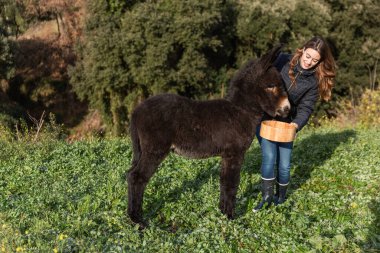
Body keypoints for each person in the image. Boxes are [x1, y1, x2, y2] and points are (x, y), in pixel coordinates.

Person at [253, 36, 336, 211]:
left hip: (286, 124)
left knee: (284, 165)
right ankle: (266, 197)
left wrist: (296, 125)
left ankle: (280, 198)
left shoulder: (313, 82)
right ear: (303, 50)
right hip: (264, 118)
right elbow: (259, 74)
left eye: (315, 60)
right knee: (270, 156)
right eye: (308, 57)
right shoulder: (282, 60)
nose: (309, 62)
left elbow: (306, 108)